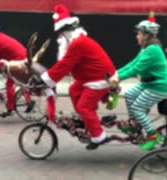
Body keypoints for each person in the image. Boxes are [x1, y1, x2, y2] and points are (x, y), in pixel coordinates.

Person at [37, 4, 116, 150]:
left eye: (61, 33)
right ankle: (88, 121)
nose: (59, 36)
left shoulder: (77, 43)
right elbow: (64, 64)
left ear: (68, 31)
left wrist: (44, 79)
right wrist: (48, 76)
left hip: (99, 79)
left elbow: (65, 65)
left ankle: (99, 136)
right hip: (90, 77)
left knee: (84, 107)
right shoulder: (75, 42)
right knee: (73, 90)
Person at [109, 12, 167, 151]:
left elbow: (136, 69)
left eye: (139, 33)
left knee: (138, 107)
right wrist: (116, 72)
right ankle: (135, 123)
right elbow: (133, 63)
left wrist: (119, 78)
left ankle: (153, 135)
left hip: (159, 86)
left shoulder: (152, 50)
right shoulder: (145, 49)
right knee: (130, 94)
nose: (137, 36)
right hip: (148, 83)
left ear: (146, 36)